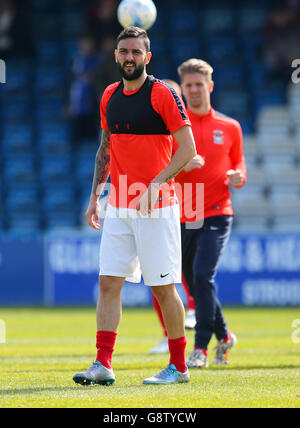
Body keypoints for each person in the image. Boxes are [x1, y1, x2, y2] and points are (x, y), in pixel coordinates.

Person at [73, 27, 199, 386]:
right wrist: (95, 195)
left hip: (157, 207)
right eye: (124, 51)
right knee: (109, 284)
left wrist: (156, 184)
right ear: (116, 56)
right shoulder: (109, 95)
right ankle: (102, 364)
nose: (130, 57)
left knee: (163, 288)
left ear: (148, 57)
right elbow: (105, 149)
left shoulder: (163, 94)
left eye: (136, 52)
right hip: (119, 207)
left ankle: (179, 366)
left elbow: (188, 150)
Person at [161, 59, 246, 368]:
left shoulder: (230, 127)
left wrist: (238, 176)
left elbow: (239, 164)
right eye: (188, 86)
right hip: (182, 214)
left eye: (199, 84)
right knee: (195, 283)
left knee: (202, 275)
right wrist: (183, 165)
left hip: (217, 212)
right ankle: (225, 337)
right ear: (181, 90)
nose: (194, 90)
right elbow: (162, 173)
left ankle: (200, 349)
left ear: (210, 86)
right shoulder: (174, 131)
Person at [149, 78, 196, 356]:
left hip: (189, 207)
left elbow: (199, 159)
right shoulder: (154, 130)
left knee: (189, 269)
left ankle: (197, 316)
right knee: (157, 277)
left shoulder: (188, 129)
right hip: (160, 207)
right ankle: (168, 335)